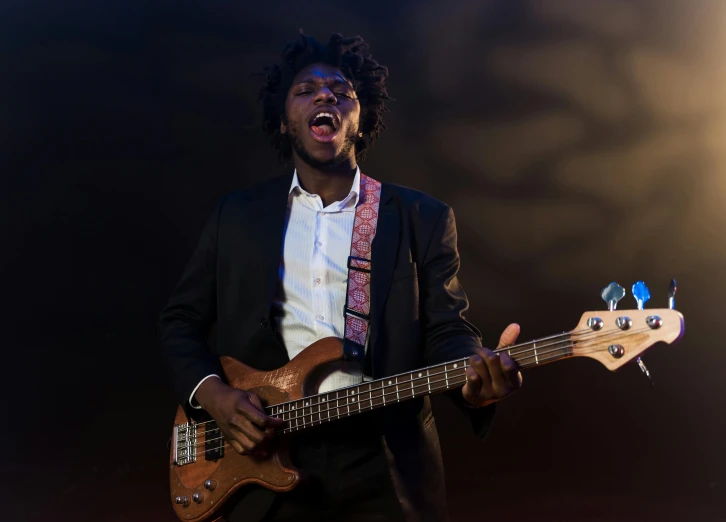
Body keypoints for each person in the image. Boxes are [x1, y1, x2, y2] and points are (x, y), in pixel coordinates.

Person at [158, 31, 523, 522]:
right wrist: (215, 396)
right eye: (306, 90)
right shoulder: (237, 217)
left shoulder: (421, 217)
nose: (325, 95)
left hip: (383, 463)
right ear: (286, 122)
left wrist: (473, 382)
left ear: (361, 116)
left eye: (341, 90)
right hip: (264, 458)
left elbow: (447, 331)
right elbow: (180, 320)